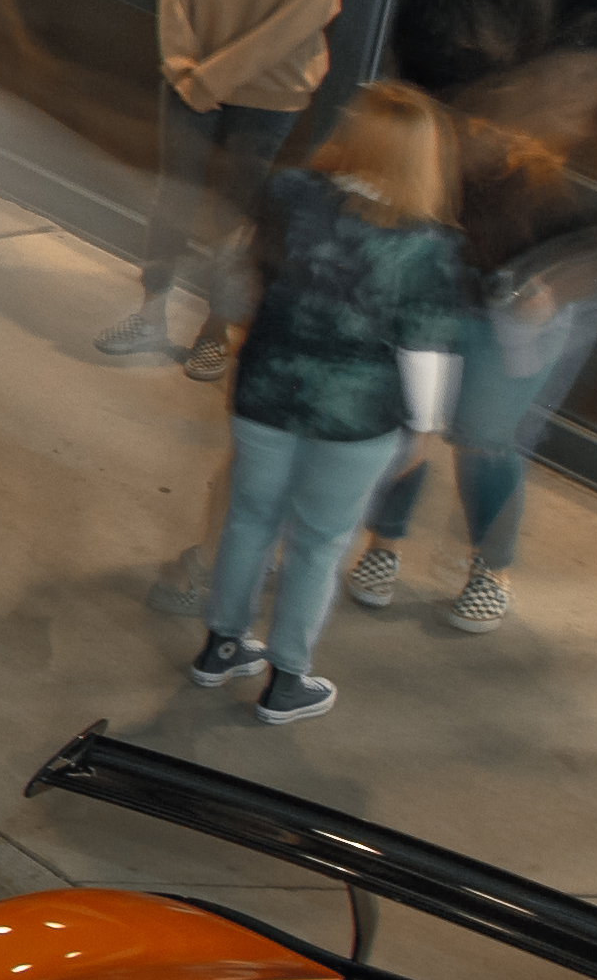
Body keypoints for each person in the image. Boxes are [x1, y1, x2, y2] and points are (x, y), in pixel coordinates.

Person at [182, 89, 470, 727]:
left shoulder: (287, 193)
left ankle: (221, 647)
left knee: (249, 519)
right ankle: (287, 679)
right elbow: (426, 344)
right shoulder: (426, 243)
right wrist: (424, 428)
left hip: (265, 387)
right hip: (355, 415)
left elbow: (244, 272)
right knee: (319, 542)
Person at [360, 55, 597, 634]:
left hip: (520, 317)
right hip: (450, 294)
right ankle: (384, 545)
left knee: (486, 443)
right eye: (565, 76)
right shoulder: (492, 120)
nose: (573, 89)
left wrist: (558, 285)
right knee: (414, 423)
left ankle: (491, 572)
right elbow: (431, 187)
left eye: (589, 77)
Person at [99, 0, 351, 369]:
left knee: (234, 214)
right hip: (189, 83)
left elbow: (303, 17)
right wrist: (184, 67)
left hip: (268, 93)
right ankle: (150, 313)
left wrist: (211, 77)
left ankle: (215, 328)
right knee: (174, 199)